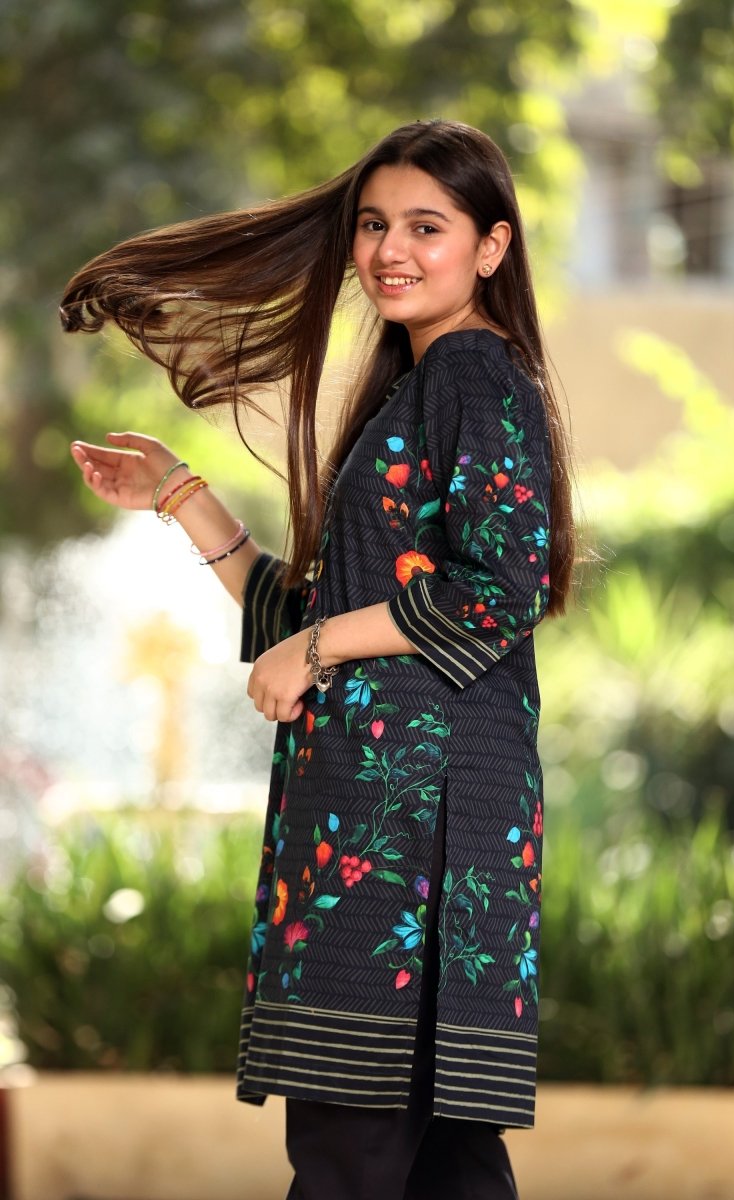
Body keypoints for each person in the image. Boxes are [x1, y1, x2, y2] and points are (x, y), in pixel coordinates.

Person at [63, 118, 575, 1200]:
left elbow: (498, 593)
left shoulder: (471, 375)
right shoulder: (418, 387)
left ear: (491, 246)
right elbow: (321, 617)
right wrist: (180, 496)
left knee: (350, 1160)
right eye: (374, 225)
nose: (391, 250)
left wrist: (316, 643)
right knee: (443, 1171)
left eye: (426, 227)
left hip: (412, 836)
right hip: (389, 816)